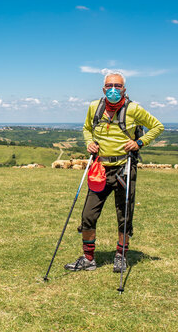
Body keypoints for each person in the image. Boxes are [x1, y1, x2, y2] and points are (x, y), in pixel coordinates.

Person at [64, 71, 164, 273]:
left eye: (117, 86)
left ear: (124, 89)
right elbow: (86, 128)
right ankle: (88, 258)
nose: (113, 89)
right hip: (99, 168)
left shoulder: (134, 109)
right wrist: (89, 142)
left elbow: (157, 126)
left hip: (124, 168)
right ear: (103, 89)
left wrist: (139, 142)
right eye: (109, 86)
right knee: (88, 215)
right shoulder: (95, 107)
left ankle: (121, 256)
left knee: (124, 215)